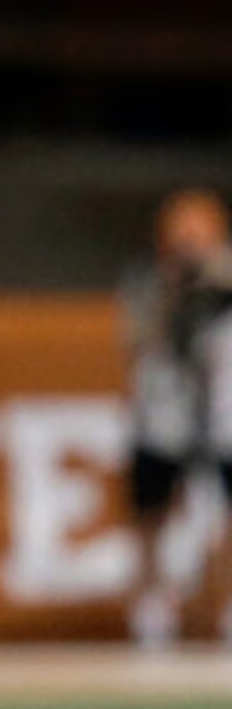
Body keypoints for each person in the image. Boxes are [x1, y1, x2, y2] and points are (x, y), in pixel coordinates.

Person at [121, 188, 232, 647]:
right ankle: (152, 604)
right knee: (151, 508)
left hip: (224, 415)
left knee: (226, 509)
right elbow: (138, 338)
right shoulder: (149, 280)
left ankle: (223, 602)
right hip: (164, 414)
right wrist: (175, 287)